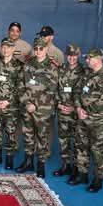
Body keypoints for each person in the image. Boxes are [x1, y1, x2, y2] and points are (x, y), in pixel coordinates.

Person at [74, 49, 103, 192]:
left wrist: (87, 111)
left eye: (90, 58)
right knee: (81, 145)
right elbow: (77, 91)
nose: (87, 61)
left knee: (97, 149)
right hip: (82, 117)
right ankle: (82, 174)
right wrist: (79, 108)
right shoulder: (86, 73)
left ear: (99, 58)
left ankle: (98, 178)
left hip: (98, 120)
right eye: (87, 58)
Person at [18, 37, 59, 177]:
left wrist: (35, 105)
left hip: (43, 109)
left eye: (41, 48)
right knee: (28, 135)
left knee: (42, 137)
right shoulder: (28, 64)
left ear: (46, 49)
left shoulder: (52, 67)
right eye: (36, 48)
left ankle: (41, 164)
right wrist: (27, 103)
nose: (38, 51)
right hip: (27, 107)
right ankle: (28, 161)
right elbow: (20, 85)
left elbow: (52, 90)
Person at [0, 38, 22, 168]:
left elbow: (20, 87)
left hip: (11, 106)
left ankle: (9, 158)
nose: (6, 49)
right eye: (4, 47)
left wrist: (8, 101)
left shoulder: (19, 66)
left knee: (10, 132)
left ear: (13, 49)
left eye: (8, 47)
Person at [54, 44, 84, 177]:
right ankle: (65, 165)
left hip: (75, 113)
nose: (72, 58)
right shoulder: (61, 69)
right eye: (70, 55)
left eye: (74, 55)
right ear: (66, 56)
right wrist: (59, 104)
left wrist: (74, 107)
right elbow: (54, 88)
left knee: (77, 141)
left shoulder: (84, 72)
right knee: (63, 140)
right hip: (62, 111)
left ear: (78, 55)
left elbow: (84, 94)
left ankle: (77, 169)